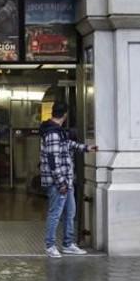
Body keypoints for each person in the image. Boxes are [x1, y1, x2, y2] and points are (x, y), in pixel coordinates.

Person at [39, 101, 98, 258]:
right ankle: (50, 246)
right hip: (59, 183)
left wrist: (86, 148)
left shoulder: (58, 131)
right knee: (55, 213)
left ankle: (67, 244)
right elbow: (53, 160)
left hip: (66, 180)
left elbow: (67, 145)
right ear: (64, 115)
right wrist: (61, 183)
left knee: (69, 212)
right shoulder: (52, 133)